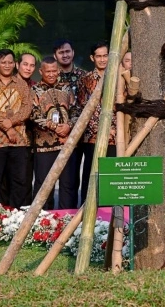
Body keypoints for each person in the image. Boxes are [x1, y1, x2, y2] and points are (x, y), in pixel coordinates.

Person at [0, 49, 32, 208]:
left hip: (19, 141)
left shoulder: (21, 84)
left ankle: (17, 218)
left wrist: (12, 121)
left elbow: (27, 108)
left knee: (19, 181)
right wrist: (8, 128)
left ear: (14, 64)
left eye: (10, 62)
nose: (7, 65)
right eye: (3, 62)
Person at [31, 57, 79, 210]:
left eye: (54, 71)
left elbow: (76, 111)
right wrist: (54, 126)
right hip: (44, 147)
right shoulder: (35, 90)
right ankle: (43, 222)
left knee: (68, 185)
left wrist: (69, 125)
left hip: (66, 145)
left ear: (58, 71)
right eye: (48, 71)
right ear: (41, 71)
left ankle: (67, 220)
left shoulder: (66, 88)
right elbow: (33, 115)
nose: (51, 74)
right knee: (44, 185)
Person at [77, 41, 117, 206]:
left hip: (115, 136)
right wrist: (102, 130)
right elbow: (83, 108)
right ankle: (88, 210)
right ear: (92, 58)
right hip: (93, 137)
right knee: (91, 174)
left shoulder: (118, 76)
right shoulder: (85, 79)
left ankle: (111, 214)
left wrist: (113, 130)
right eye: (98, 56)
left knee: (112, 177)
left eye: (105, 55)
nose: (102, 60)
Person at [54, 39, 86, 194]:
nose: (65, 55)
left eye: (67, 51)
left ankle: (74, 212)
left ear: (73, 53)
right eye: (61, 52)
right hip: (55, 134)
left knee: (73, 178)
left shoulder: (83, 76)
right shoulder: (51, 76)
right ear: (55, 55)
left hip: (79, 134)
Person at [16, 53, 37, 205]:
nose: (28, 68)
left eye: (32, 65)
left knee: (27, 180)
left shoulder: (35, 87)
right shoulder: (9, 84)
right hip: (10, 139)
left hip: (30, 140)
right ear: (18, 65)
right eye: (25, 64)